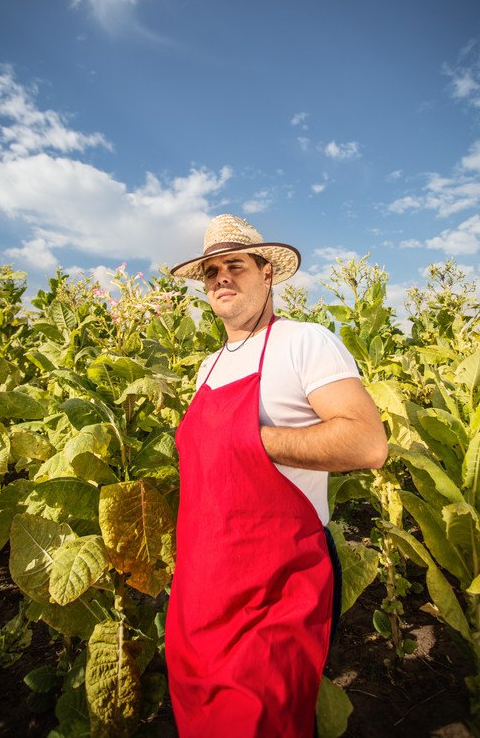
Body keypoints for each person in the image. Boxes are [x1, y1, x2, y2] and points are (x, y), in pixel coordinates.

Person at [165, 214, 388, 738]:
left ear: (267, 273)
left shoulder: (303, 342)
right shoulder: (209, 366)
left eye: (235, 265)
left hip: (276, 588)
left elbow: (367, 442)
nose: (221, 277)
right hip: (201, 591)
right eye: (211, 270)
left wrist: (253, 440)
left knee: (260, 721)